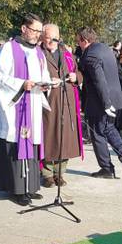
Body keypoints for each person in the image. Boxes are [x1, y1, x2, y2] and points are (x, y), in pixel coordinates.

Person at [0, 15, 52, 205]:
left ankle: (30, 187)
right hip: (15, 108)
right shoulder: (9, 48)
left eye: (39, 32)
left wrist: (46, 86)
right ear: (24, 28)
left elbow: (44, 75)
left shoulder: (39, 52)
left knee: (31, 144)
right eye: (34, 31)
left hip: (32, 105)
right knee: (16, 145)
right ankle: (17, 189)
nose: (37, 35)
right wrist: (21, 84)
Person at [76, 26, 122, 179]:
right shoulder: (104, 49)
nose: (78, 44)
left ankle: (107, 168)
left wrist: (106, 103)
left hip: (101, 101)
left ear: (85, 40)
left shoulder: (90, 56)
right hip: (114, 97)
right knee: (108, 128)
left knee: (97, 133)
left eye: (79, 41)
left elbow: (99, 80)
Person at [38, 24, 82, 188]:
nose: (48, 40)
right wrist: (48, 82)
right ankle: (47, 174)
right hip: (49, 102)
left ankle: (60, 173)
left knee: (65, 138)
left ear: (58, 36)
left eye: (51, 37)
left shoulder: (67, 55)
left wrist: (75, 76)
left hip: (67, 101)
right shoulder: (39, 54)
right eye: (46, 37)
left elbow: (80, 74)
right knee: (49, 137)